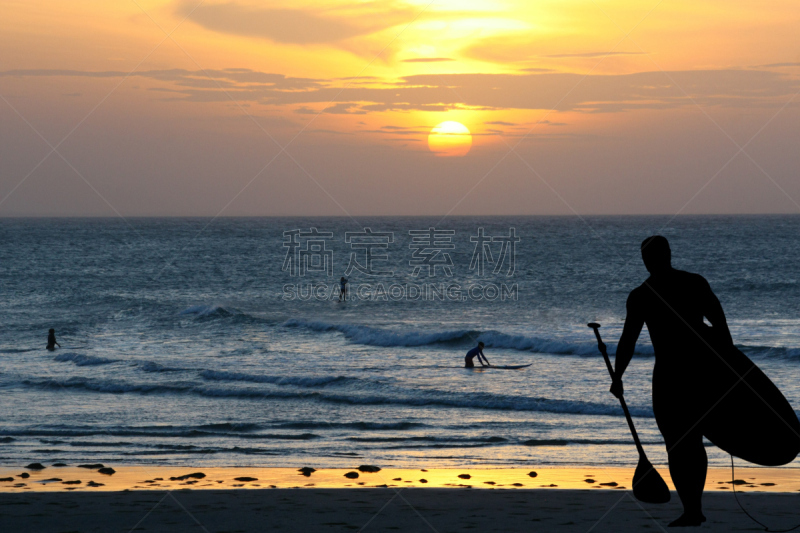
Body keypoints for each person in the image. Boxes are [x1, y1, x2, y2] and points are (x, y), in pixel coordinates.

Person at [613, 236, 799, 527]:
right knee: (685, 444)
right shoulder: (685, 285)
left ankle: (692, 510)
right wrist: (728, 366)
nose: (650, 262)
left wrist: (618, 376)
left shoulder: (644, 295)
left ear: (654, 258)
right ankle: (692, 510)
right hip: (696, 375)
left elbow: (629, 341)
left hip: (678, 378)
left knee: (680, 445)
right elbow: (720, 327)